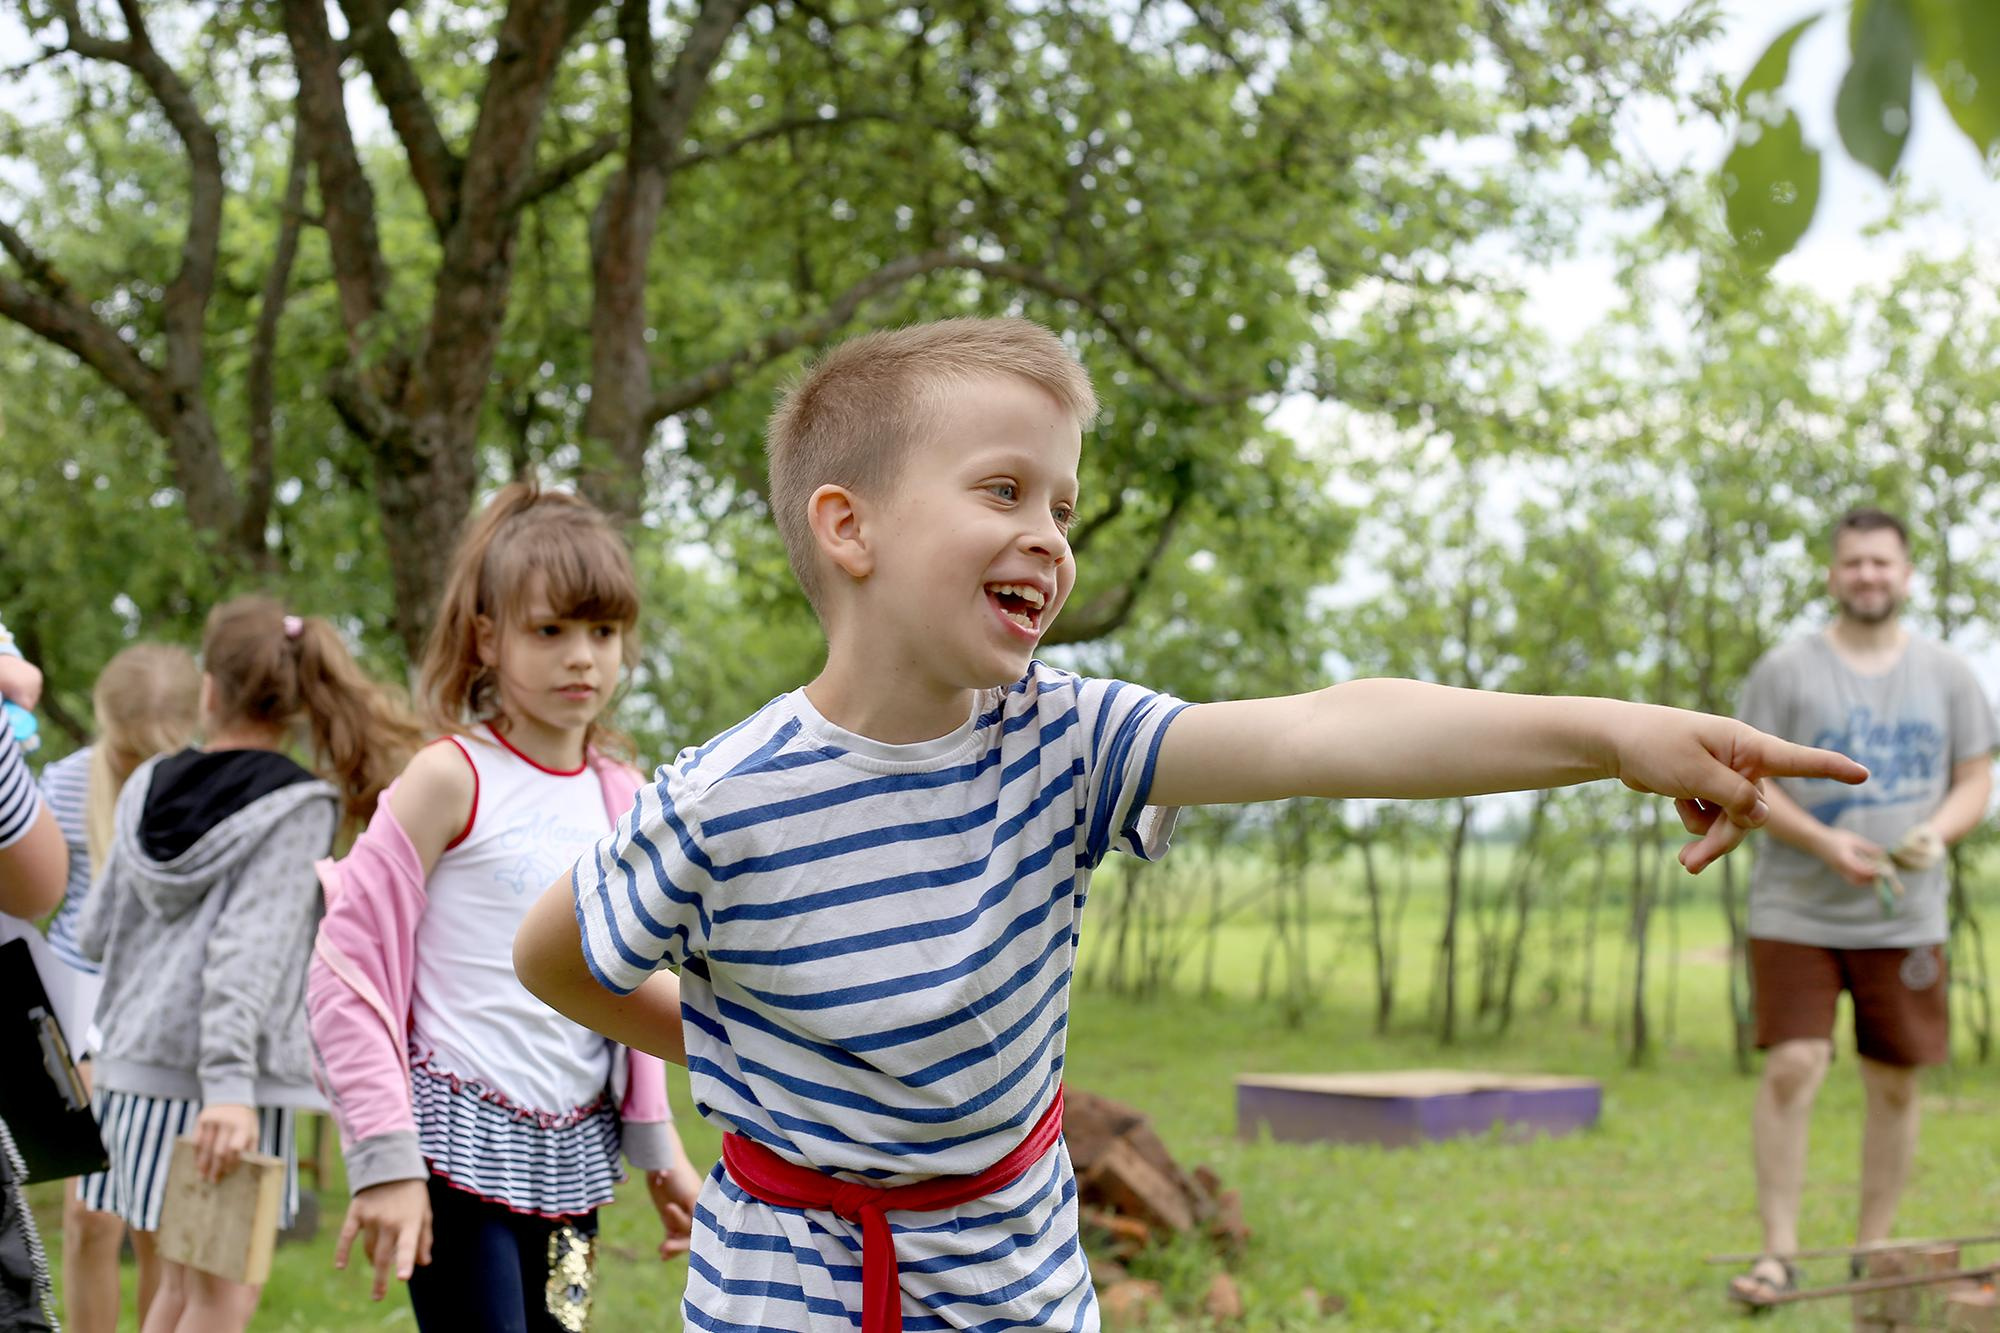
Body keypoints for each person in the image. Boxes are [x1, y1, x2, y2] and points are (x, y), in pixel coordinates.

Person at [511, 316, 1868, 1332]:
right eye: (1003, 490)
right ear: (847, 528)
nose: (1049, 535)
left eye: (1062, 505)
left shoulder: (1065, 741)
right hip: (792, 1290)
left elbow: (1328, 730)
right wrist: (730, 1044)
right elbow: (555, 957)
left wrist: (1611, 733)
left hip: (1018, 1281)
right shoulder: (724, 798)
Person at [310, 483, 700, 1333]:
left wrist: (660, 1148)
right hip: (450, 1153)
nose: (582, 658)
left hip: (573, 1169)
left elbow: (625, 985)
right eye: (550, 630)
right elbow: (346, 968)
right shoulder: (450, 778)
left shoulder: (625, 799)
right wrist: (385, 1159)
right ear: (488, 637)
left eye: (603, 631)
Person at [75, 596, 423, 1333]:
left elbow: (97, 932)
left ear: (210, 689)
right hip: (222, 1095)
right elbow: (247, 954)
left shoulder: (147, 780)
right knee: (221, 1298)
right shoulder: (298, 804)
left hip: (131, 1080)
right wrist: (229, 1089)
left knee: (180, 1287)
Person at [1726, 507, 1997, 1307]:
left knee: (1896, 1081)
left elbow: (1975, 778)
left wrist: (1937, 834)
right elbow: (1747, 776)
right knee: (1794, 1064)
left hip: (1906, 916)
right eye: (1854, 562)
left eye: (1882, 562)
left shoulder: (1949, 674)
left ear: (1906, 574)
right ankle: (1778, 1253)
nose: (1868, 574)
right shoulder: (1784, 670)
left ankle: (1871, 1249)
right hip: (1796, 908)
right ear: (1831, 574)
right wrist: (1822, 842)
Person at [48, 645, 200, 1333]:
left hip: (163, 1018)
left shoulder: (206, 787)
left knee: (154, 1220)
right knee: (90, 1214)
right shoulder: (67, 784)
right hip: (79, 1007)